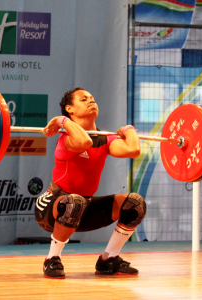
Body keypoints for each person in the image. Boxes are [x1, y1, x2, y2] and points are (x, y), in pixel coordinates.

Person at [35, 87, 146, 279]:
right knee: (74, 202)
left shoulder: (105, 139)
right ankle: (52, 259)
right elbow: (84, 142)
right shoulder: (67, 137)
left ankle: (108, 259)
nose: (91, 101)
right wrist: (62, 121)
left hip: (83, 206)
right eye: (83, 99)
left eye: (92, 98)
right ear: (69, 109)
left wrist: (129, 129)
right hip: (51, 207)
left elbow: (133, 150)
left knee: (135, 204)